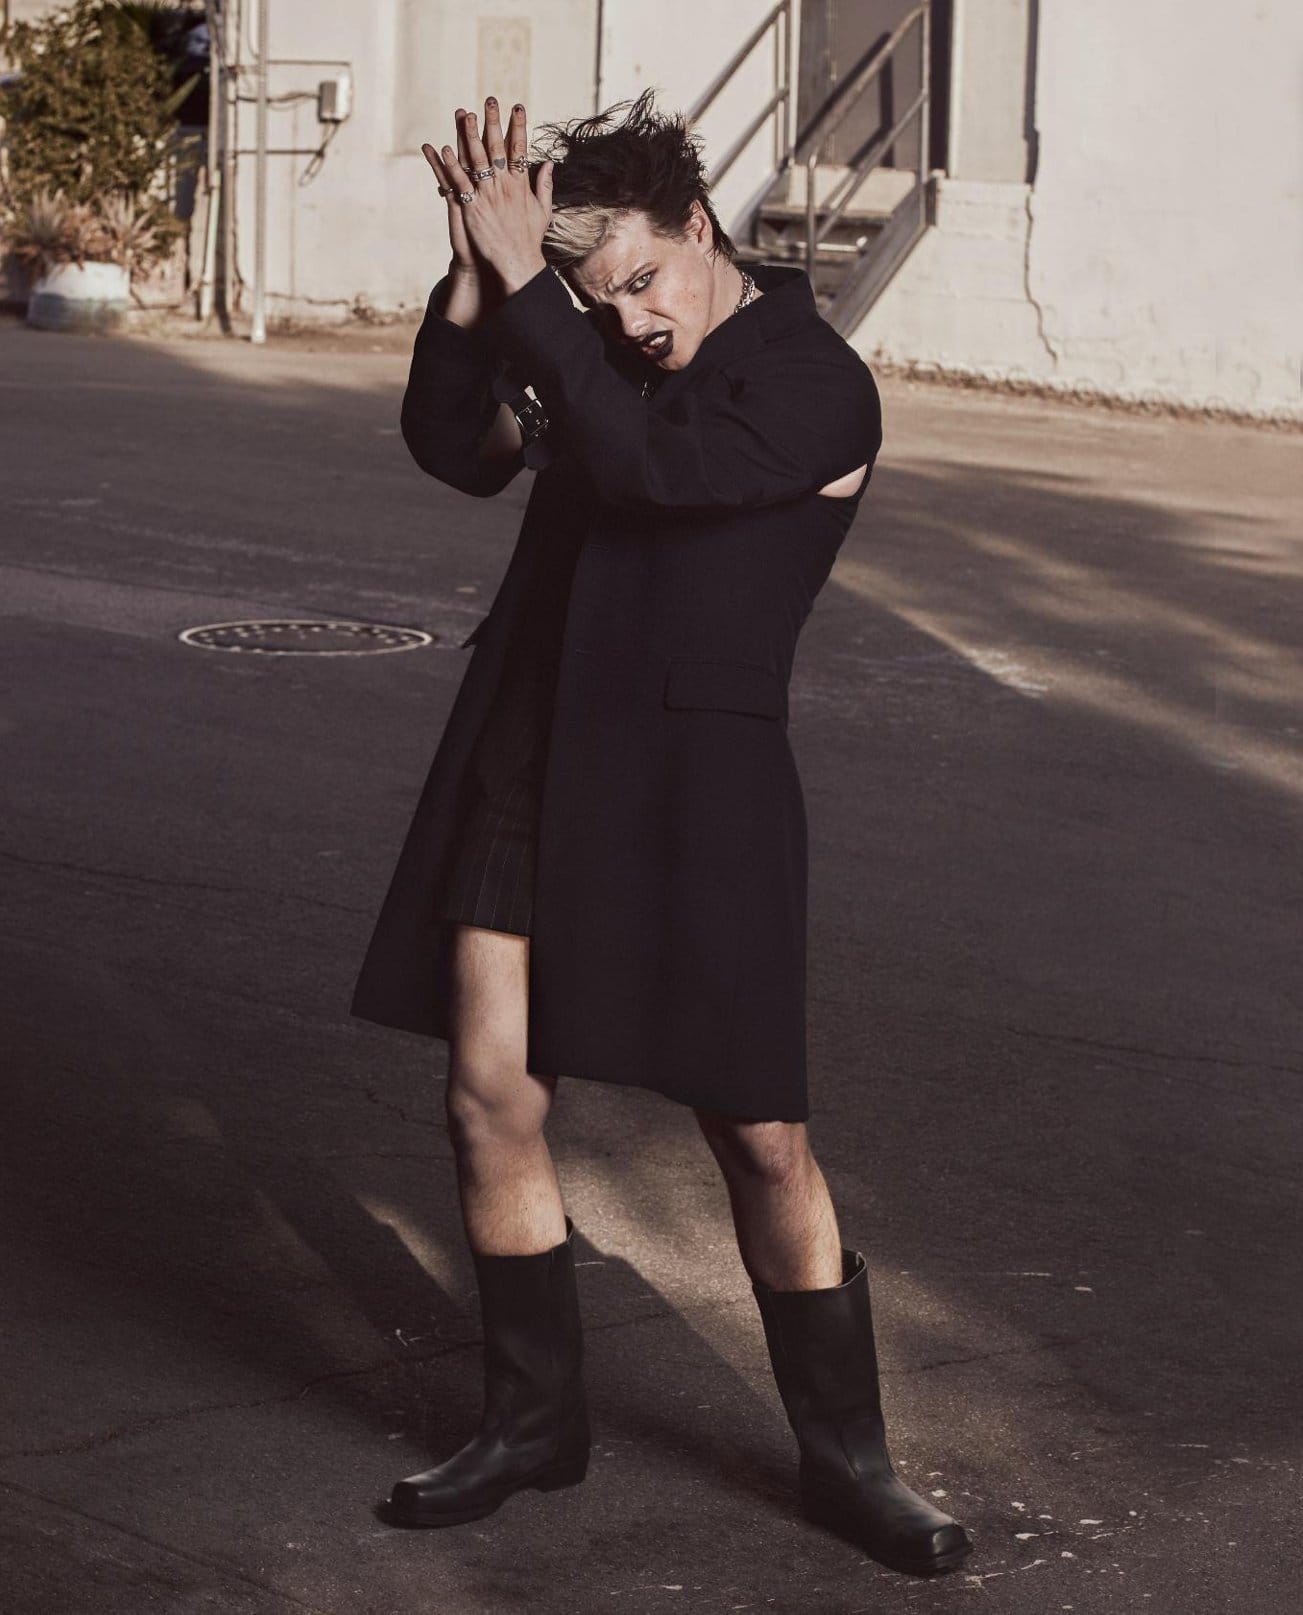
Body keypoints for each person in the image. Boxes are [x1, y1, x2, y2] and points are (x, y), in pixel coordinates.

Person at [356, 88, 973, 1577]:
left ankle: (851, 1461)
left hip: (701, 778)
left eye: (645, 280)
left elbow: (649, 464)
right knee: (486, 1095)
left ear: (703, 227)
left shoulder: (816, 382)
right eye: (599, 298)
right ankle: (532, 1424)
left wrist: (542, 302)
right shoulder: (582, 343)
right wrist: (475, 281)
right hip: (534, 744)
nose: (630, 320)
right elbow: (459, 446)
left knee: (758, 1133)